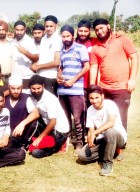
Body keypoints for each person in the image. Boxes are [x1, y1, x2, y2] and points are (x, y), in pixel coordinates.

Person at [89, 18, 138, 158]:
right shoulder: (95, 48)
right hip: (104, 88)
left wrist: (132, 79)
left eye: (101, 28)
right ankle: (106, 143)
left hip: (122, 87)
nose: (99, 31)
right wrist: (93, 88)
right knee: (104, 117)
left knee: (121, 118)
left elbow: (134, 57)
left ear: (108, 26)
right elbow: (94, 67)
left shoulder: (121, 40)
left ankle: (120, 147)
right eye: (97, 29)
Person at [78, 85, 127, 176]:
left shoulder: (110, 104)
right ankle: (110, 151)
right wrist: (90, 139)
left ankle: (107, 163)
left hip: (117, 137)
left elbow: (111, 123)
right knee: (82, 156)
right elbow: (91, 129)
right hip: (102, 139)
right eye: (91, 98)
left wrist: (94, 133)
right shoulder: (89, 110)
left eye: (97, 97)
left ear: (102, 96)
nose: (94, 101)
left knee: (110, 132)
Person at [57, 25, 90, 156]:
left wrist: (73, 80)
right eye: (63, 36)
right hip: (62, 90)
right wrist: (58, 77)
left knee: (77, 118)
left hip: (75, 90)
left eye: (68, 36)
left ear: (72, 35)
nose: (66, 39)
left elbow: (86, 67)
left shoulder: (80, 48)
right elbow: (61, 67)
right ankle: (66, 141)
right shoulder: (61, 50)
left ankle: (79, 143)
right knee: (65, 119)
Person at [29, 75, 69, 158]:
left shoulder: (50, 98)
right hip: (47, 126)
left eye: (38, 88)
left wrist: (40, 138)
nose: (36, 91)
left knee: (36, 152)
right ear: (30, 88)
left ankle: (63, 142)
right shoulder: (31, 95)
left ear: (43, 86)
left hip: (59, 131)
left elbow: (53, 122)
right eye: (33, 89)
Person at [31, 15, 62, 95]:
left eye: (51, 26)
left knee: (49, 102)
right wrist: (35, 65)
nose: (48, 28)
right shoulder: (44, 38)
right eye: (47, 26)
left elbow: (56, 62)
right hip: (40, 75)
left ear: (56, 25)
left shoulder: (57, 39)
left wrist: (38, 66)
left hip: (50, 77)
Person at [5, 77, 40, 148]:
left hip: (22, 131)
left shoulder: (26, 98)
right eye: (13, 88)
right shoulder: (5, 99)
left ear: (22, 87)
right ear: (9, 87)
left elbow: (36, 113)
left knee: (34, 123)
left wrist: (22, 124)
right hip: (8, 132)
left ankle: (24, 144)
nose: (16, 91)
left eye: (18, 88)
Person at [12, 20, 39, 92]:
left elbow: (36, 58)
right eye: (17, 30)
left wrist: (25, 52)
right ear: (14, 29)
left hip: (26, 76)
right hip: (15, 76)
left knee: (26, 98)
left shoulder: (29, 41)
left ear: (25, 29)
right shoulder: (13, 41)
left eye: (21, 30)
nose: (19, 32)